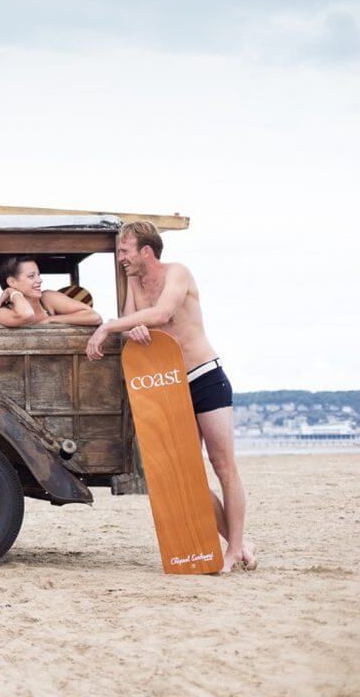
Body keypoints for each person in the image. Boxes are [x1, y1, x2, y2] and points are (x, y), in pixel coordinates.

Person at [86, 221, 257, 572]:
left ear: (146, 251)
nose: (120, 258)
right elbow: (133, 324)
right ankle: (239, 543)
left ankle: (233, 550)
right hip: (171, 385)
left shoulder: (178, 273)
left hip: (205, 376)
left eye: (124, 251)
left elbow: (162, 314)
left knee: (223, 466)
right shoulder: (134, 282)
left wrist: (107, 326)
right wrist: (132, 329)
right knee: (188, 473)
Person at [0, 255, 102, 327]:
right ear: (12, 282)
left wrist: (51, 320)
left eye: (38, 275)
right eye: (31, 276)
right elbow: (27, 316)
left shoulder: (47, 298)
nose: (40, 280)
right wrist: (12, 292)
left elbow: (95, 317)